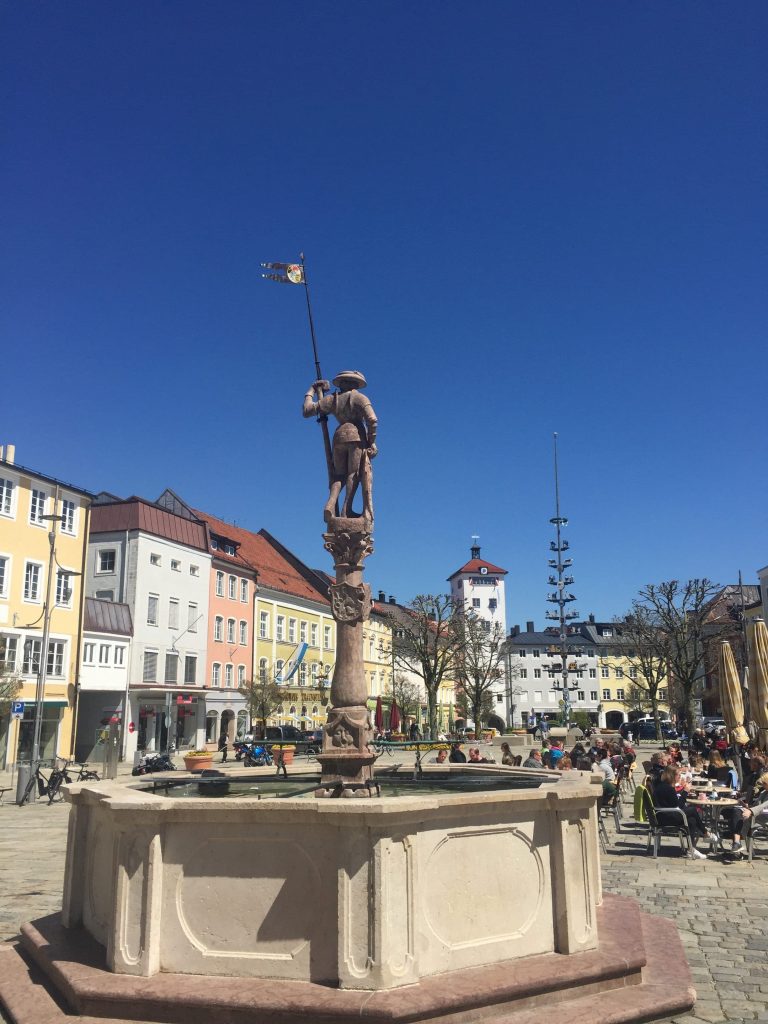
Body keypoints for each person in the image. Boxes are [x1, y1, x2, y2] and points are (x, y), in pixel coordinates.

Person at [302, 371, 378, 522]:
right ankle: (346, 509)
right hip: (356, 436)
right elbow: (372, 420)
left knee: (339, 475)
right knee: (353, 474)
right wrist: (372, 441)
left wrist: (311, 390)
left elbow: (307, 411)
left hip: (338, 437)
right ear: (356, 384)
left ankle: (330, 504)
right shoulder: (360, 398)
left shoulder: (332, 399)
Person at [652, 765, 711, 859]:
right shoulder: (668, 788)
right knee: (692, 809)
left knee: (692, 820)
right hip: (666, 818)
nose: (680, 777)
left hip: (664, 815)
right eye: (678, 775)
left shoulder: (662, 785)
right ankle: (705, 833)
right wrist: (685, 792)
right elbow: (678, 806)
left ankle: (691, 849)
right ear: (672, 776)